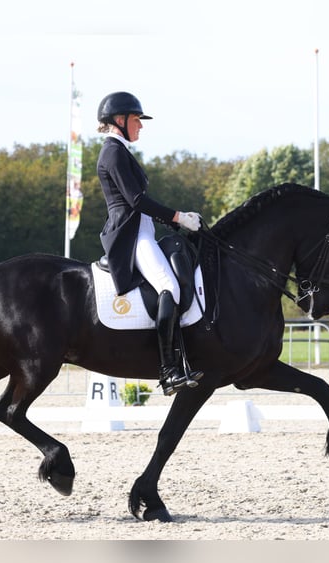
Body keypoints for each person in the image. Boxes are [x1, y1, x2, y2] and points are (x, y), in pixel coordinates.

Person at [96, 91, 203, 396]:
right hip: (131, 238)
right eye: (136, 120)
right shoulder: (113, 152)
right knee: (168, 286)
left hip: (143, 231)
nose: (140, 126)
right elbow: (136, 200)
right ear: (120, 121)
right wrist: (178, 216)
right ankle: (168, 370)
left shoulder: (120, 150)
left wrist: (175, 221)